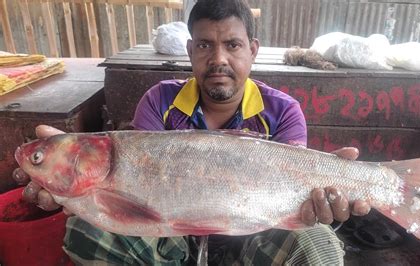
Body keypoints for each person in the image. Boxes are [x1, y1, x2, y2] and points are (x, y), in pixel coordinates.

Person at [13, 0, 370, 264]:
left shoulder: (283, 111)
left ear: (253, 50)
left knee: (318, 241)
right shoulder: (159, 100)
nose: (219, 59)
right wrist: (73, 188)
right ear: (190, 50)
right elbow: (128, 197)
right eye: (204, 45)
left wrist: (324, 201)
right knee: (85, 232)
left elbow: (300, 203)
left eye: (232, 44)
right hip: (172, 238)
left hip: (254, 239)